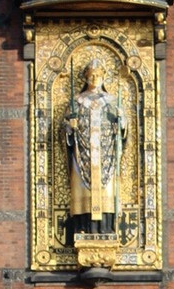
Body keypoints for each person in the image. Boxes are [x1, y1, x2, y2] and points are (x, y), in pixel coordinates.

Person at [63, 57, 127, 236]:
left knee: (107, 188)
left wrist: (121, 123)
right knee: (83, 188)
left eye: (98, 75)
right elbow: (66, 127)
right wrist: (70, 128)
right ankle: (83, 226)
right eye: (91, 75)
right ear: (85, 78)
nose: (94, 78)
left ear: (104, 77)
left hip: (106, 154)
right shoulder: (77, 101)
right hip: (82, 154)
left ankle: (107, 227)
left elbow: (123, 129)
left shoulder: (112, 101)